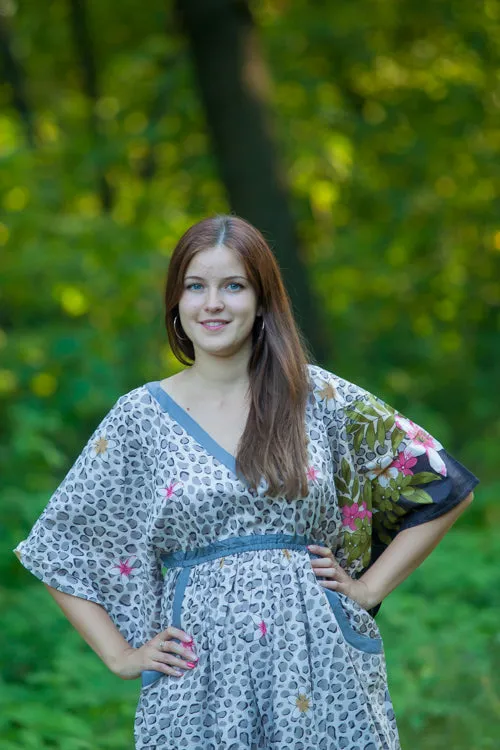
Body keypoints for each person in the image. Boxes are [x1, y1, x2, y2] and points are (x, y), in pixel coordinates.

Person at [15, 214, 478, 750]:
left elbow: (441, 484)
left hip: (321, 662)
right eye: (196, 286)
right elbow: (59, 545)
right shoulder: (139, 418)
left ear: (262, 301)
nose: (213, 303)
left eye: (233, 286)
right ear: (176, 303)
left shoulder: (316, 397)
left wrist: (368, 588)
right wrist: (122, 655)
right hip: (199, 678)